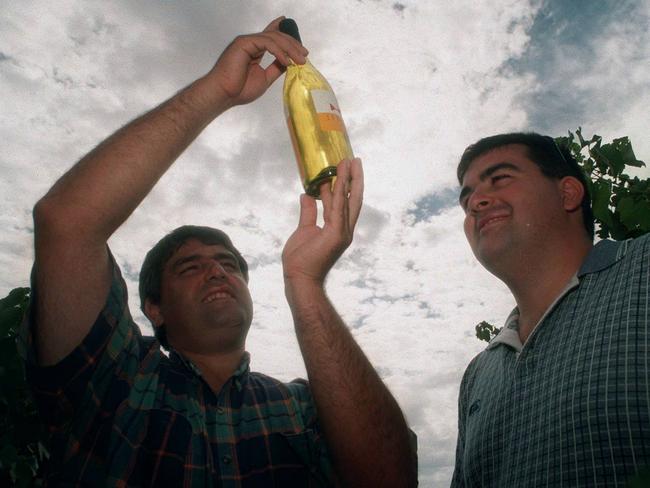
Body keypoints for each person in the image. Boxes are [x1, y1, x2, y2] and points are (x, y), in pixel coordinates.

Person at [21, 17, 417, 487]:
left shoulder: (300, 408)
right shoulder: (117, 384)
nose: (217, 273)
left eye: (229, 265)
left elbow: (390, 478)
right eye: (191, 267)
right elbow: (65, 223)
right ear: (155, 308)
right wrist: (218, 91)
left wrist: (306, 284)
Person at [451, 132, 650, 486]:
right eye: (466, 200)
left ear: (567, 193)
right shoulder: (478, 375)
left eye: (500, 179)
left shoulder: (644, 270)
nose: (476, 202)